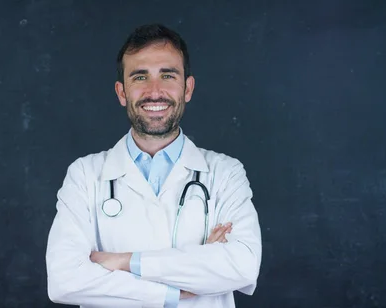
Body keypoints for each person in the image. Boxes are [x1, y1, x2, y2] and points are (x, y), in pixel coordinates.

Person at [45, 23, 262, 308]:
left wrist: (123, 261)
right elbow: (64, 281)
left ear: (188, 88)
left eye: (168, 75)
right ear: (122, 92)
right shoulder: (85, 175)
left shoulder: (225, 173)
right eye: (140, 77)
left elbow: (242, 266)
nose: (154, 91)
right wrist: (173, 290)